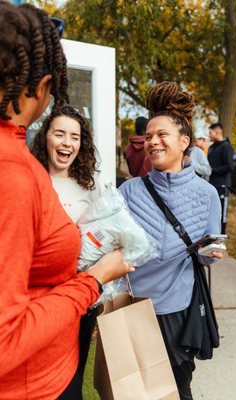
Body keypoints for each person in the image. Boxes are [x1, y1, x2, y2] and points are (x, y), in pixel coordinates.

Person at [0, 3, 133, 400]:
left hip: (57, 362)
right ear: (40, 87)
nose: (67, 143)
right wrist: (93, 280)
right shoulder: (15, 174)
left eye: (75, 137)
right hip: (31, 385)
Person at [119, 81, 223, 400]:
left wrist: (212, 252)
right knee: (132, 391)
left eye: (161, 134)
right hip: (133, 308)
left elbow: (208, 256)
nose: (153, 141)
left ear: (183, 141)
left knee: (176, 391)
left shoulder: (207, 195)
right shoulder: (128, 192)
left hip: (178, 310)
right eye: (149, 136)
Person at [30, 105, 102, 385]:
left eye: (75, 137)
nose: (67, 143)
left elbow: (104, 237)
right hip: (38, 300)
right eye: (59, 134)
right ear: (45, 137)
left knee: (72, 378)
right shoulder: (31, 180)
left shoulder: (90, 187)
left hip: (80, 299)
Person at [208, 122, 234, 234]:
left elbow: (229, 166)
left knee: (222, 214)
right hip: (211, 185)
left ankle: (221, 239)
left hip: (222, 185)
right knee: (212, 213)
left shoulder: (226, 146)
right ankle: (212, 237)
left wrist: (213, 171)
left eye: (210, 133)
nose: (208, 135)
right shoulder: (211, 147)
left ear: (217, 132)